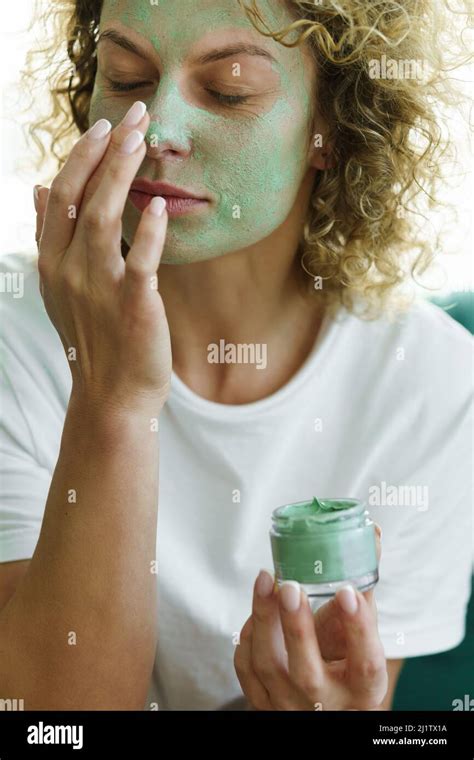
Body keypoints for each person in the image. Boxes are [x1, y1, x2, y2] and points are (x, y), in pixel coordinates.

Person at [0, 0, 471, 711]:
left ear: (332, 130)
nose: (156, 130)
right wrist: (112, 404)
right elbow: (52, 720)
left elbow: (345, 684)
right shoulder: (14, 337)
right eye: (126, 78)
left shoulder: (430, 383)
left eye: (228, 91)